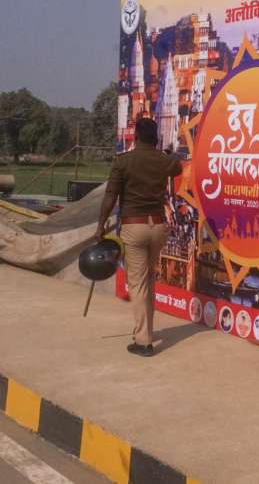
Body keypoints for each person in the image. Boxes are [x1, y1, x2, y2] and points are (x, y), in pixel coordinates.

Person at [94, 117, 183, 357]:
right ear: (155, 138)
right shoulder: (163, 161)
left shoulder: (123, 162)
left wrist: (101, 226)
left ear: (135, 137)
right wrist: (165, 152)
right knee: (148, 281)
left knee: (139, 283)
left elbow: (110, 197)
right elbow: (178, 167)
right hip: (158, 229)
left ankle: (143, 341)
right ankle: (146, 331)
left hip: (135, 228)